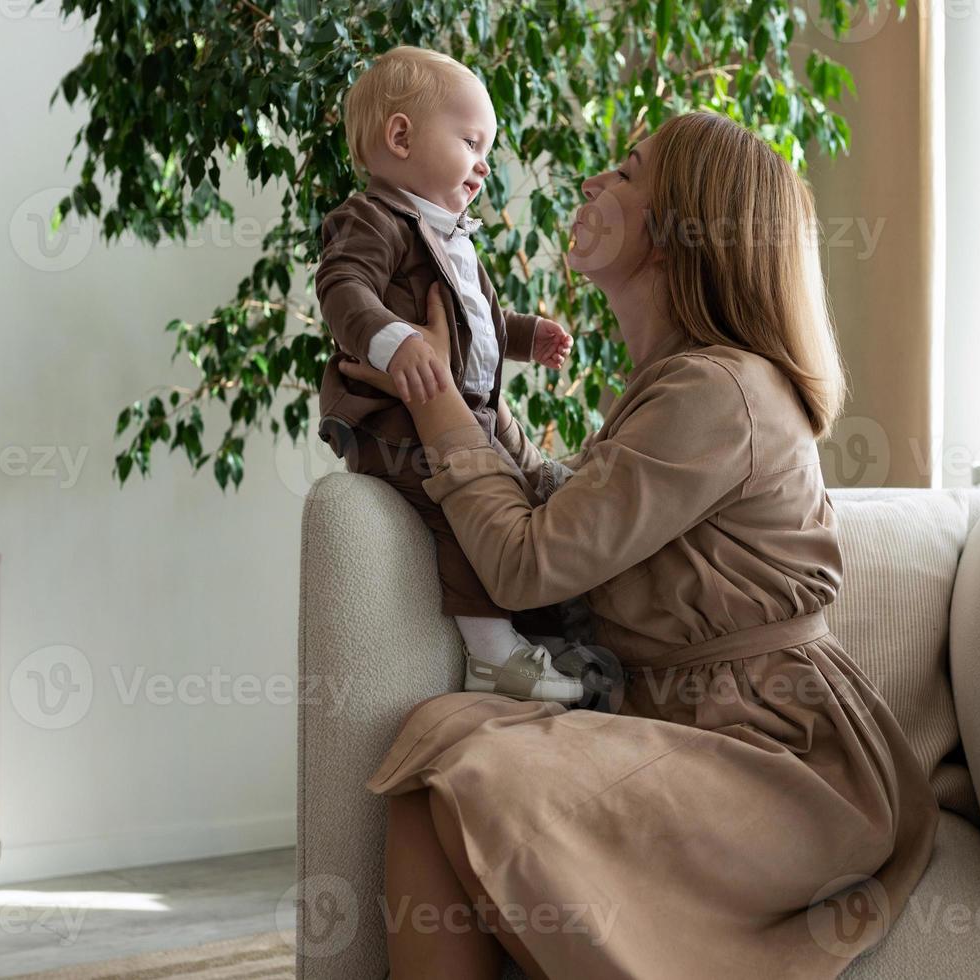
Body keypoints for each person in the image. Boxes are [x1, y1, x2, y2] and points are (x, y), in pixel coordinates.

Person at [338, 110, 939, 980]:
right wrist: (467, 384)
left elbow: (525, 562)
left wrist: (432, 398)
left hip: (781, 765)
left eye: (626, 172)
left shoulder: (719, 391)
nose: (593, 182)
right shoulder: (674, 387)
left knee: (479, 777)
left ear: (686, 228)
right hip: (681, 721)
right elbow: (558, 505)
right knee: (431, 751)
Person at [314, 44, 585, 702]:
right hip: (394, 418)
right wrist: (395, 340)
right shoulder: (373, 219)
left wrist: (526, 336)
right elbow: (342, 288)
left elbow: (477, 319)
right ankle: (490, 653)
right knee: (458, 507)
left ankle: (541, 630)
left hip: (467, 415)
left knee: (529, 499)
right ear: (401, 136)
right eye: (470, 140)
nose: (484, 162)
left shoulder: (452, 234)